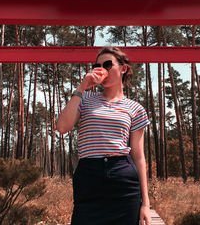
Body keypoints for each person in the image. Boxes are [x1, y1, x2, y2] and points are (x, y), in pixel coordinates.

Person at [57, 47, 151, 225]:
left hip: (123, 178)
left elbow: (139, 157)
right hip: (88, 176)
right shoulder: (85, 99)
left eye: (108, 64)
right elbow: (62, 127)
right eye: (97, 65)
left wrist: (145, 203)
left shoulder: (135, 109)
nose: (101, 69)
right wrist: (82, 87)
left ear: (123, 68)